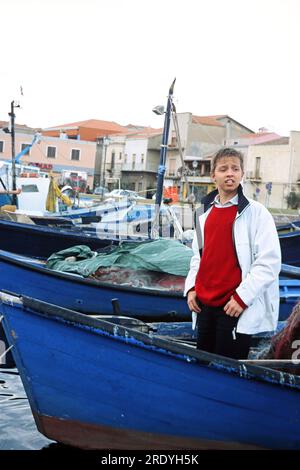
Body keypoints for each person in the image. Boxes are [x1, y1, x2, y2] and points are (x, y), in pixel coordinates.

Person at [185, 147, 281, 359]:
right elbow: (197, 257)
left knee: (227, 373)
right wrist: (192, 288)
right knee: (202, 367)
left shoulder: (256, 213)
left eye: (235, 169)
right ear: (213, 176)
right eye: (223, 169)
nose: (230, 173)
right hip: (204, 306)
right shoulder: (202, 213)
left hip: (233, 307)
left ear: (242, 174)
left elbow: (268, 263)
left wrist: (241, 298)